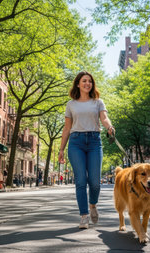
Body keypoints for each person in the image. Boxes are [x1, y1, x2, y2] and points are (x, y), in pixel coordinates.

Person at [58, 71, 115, 229]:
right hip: (76, 142)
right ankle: (84, 216)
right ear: (78, 84)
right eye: (84, 81)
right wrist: (61, 149)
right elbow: (67, 127)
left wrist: (109, 127)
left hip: (94, 142)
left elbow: (104, 118)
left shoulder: (98, 102)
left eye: (90, 81)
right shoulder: (71, 104)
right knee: (81, 181)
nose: (87, 83)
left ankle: (92, 205)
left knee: (95, 183)